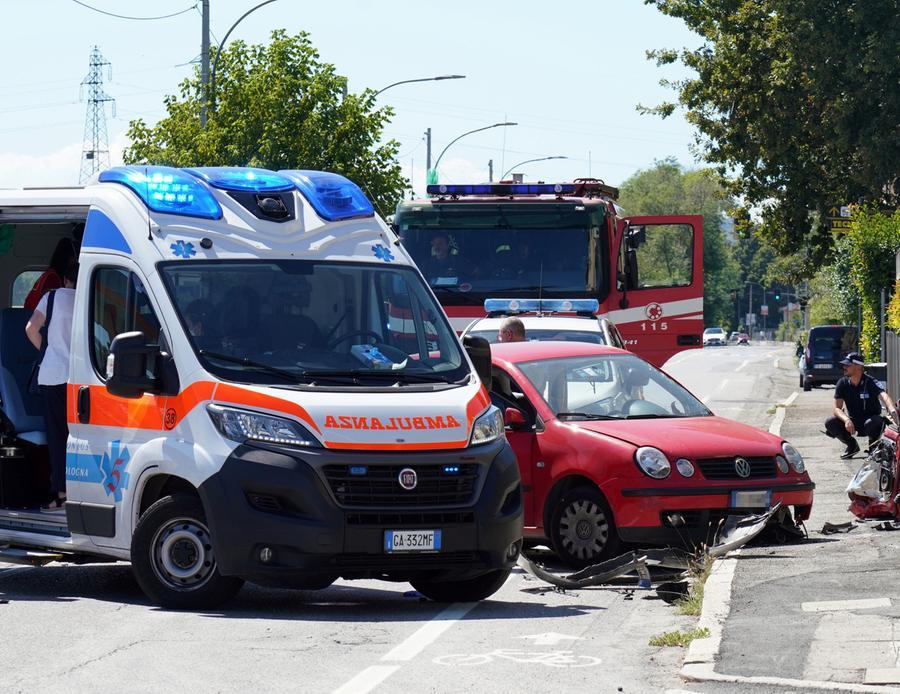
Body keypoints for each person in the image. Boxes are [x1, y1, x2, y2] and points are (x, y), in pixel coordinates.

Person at [25, 262, 78, 510]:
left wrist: (46, 352)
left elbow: (31, 328)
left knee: (57, 435)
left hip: (53, 374)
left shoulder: (52, 296)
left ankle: (62, 493)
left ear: (65, 279)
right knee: (79, 435)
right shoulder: (90, 298)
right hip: (81, 377)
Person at [824, 352, 899, 459]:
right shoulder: (842, 383)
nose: (844, 367)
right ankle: (851, 445)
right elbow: (837, 409)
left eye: (848, 365)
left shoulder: (870, 382)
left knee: (874, 422)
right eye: (844, 365)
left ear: (858, 367)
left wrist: (892, 410)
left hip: (870, 421)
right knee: (830, 422)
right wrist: (846, 420)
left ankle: (874, 447)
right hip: (853, 422)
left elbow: (884, 396)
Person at [24, 237, 77, 311]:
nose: (75, 262)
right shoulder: (53, 279)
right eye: (73, 258)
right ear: (67, 258)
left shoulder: (49, 274)